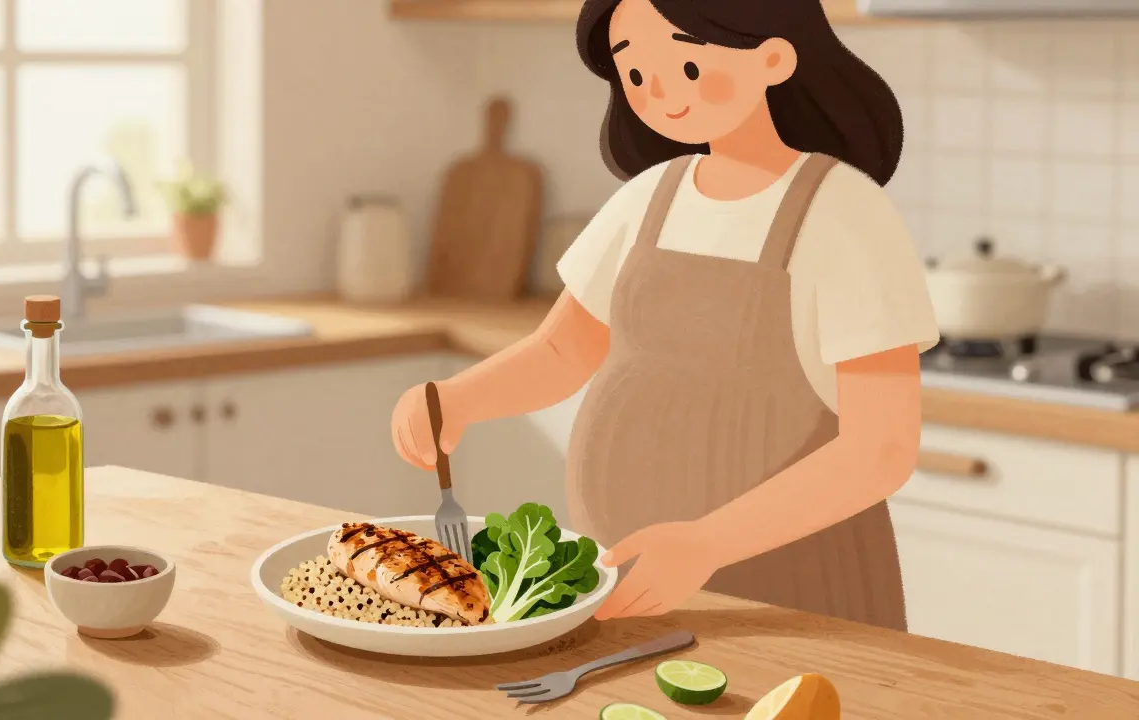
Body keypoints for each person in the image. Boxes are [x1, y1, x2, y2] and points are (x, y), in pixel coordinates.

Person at [390, 0, 939, 630]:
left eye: (687, 62)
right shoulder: (651, 196)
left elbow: (881, 448)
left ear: (774, 55)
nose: (662, 93)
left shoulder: (843, 213)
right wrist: (457, 399)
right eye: (636, 75)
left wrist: (708, 542)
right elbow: (562, 350)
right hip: (630, 576)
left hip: (785, 580)